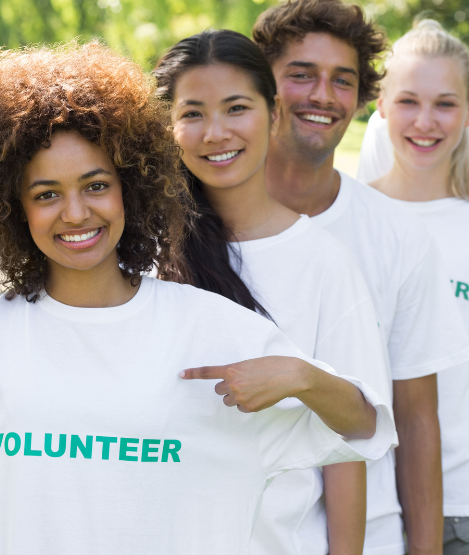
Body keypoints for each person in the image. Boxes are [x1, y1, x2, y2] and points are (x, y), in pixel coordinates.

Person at [0, 41, 395, 555]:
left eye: (96, 185)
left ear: (133, 186)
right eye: (46, 194)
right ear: (11, 208)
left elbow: (367, 428)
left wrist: (304, 377)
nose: (75, 213)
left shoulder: (211, 329)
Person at [153, 28, 392, 555]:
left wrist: (299, 377)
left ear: (275, 114)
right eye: (192, 113)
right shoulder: (139, 254)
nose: (215, 132)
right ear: (167, 128)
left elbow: (359, 429)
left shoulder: (324, 263)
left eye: (237, 108)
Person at [249, 0, 469, 555]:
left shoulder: (397, 235)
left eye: (342, 80)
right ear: (263, 85)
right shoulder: (203, 223)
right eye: (301, 75)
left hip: (373, 538)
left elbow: (418, 421)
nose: (322, 95)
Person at [360, 20, 469, 555]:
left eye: (445, 104)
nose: (426, 122)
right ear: (380, 104)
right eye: (409, 101)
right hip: (376, 507)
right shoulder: (348, 221)